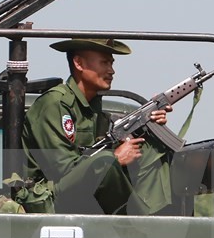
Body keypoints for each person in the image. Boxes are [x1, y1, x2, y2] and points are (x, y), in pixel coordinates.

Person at [21, 38, 173, 215]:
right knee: (105, 161)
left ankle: (156, 219)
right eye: (104, 63)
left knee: (147, 148)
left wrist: (149, 123)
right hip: (50, 197)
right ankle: (139, 227)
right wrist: (115, 157)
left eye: (112, 63)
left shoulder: (93, 107)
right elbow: (63, 170)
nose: (111, 70)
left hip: (84, 192)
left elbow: (95, 152)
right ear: (78, 63)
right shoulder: (54, 104)